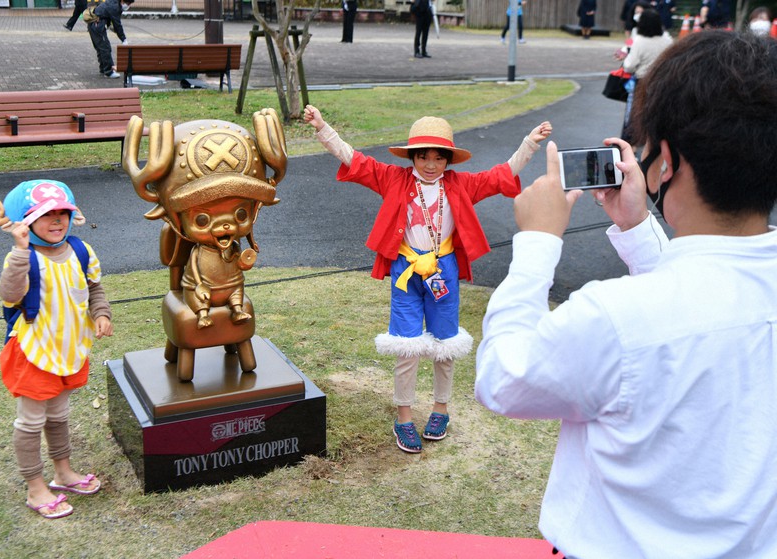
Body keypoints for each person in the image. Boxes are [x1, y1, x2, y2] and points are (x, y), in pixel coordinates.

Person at [475, 31, 777, 558]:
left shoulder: (612, 316)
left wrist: (537, 246)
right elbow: (699, 299)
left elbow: (504, 379)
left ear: (666, 161)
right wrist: (637, 228)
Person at [304, 103, 552, 454]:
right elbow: (354, 160)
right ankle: (403, 417)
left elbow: (502, 174)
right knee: (406, 346)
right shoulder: (394, 178)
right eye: (423, 157)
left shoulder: (461, 185)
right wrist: (322, 127)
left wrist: (530, 142)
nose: (431, 165)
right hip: (405, 273)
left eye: (439, 158)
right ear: (413, 158)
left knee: (444, 344)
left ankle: (440, 409)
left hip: (443, 272)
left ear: (449, 160)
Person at [0, 180, 113, 519]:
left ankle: (63, 472)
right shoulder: (23, 257)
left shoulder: (80, 251)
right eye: (47, 214)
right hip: (34, 351)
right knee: (31, 422)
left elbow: (94, 288)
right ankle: (35, 488)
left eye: (63, 213)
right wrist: (19, 251)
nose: (57, 220)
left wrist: (101, 313)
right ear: (24, 223)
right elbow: (9, 294)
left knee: (59, 416)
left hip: (68, 349)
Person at [620, 9, 672, 144]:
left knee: (635, 114)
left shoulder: (640, 41)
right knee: (656, 114)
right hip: (662, 81)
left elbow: (629, 65)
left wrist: (625, 60)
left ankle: (631, 146)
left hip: (642, 81)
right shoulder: (667, 40)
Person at [87, 0, 134, 79]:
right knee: (105, 48)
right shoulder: (114, 7)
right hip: (97, 25)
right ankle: (109, 71)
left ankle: (103, 69)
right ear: (122, 1)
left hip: (94, 24)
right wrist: (123, 39)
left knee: (101, 47)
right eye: (128, 3)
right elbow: (117, 24)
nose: (128, 6)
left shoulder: (114, 3)